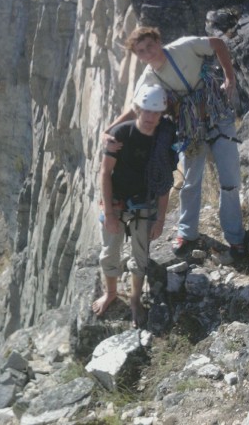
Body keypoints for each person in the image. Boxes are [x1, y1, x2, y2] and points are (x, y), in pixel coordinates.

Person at [104, 26, 246, 260]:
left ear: (158, 41)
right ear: (138, 56)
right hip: (191, 126)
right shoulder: (149, 77)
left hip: (217, 114)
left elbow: (217, 44)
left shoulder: (183, 46)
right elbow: (135, 108)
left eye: (150, 45)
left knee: (229, 180)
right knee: (191, 180)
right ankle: (187, 233)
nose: (147, 52)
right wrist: (109, 131)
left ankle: (236, 238)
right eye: (141, 51)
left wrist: (229, 77)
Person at [92, 84, 176, 328]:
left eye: (156, 113)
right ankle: (111, 293)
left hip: (145, 203)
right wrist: (109, 213)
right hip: (116, 201)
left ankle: (135, 299)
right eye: (146, 111)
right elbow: (105, 173)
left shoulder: (164, 139)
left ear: (162, 114)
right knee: (109, 252)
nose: (150, 117)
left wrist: (160, 219)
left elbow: (164, 183)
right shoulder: (121, 135)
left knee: (140, 256)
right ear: (137, 109)